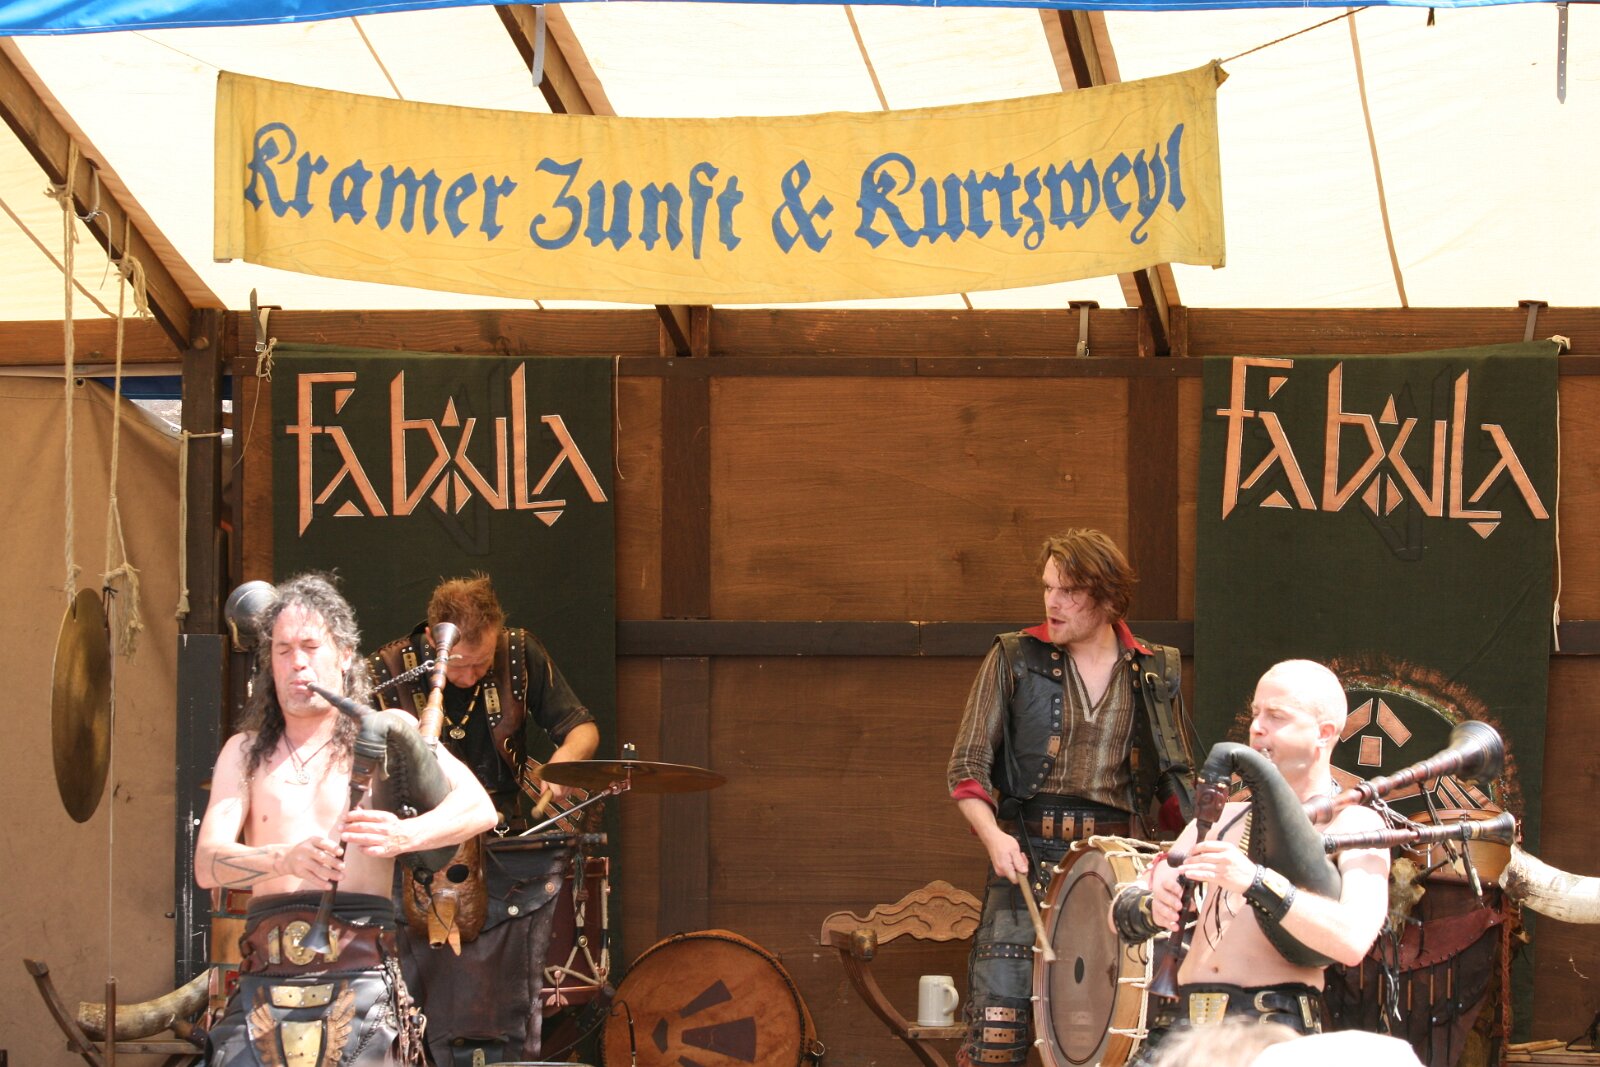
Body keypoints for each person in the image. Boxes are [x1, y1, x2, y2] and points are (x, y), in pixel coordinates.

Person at [195, 573, 498, 1067]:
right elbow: (208, 865)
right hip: (264, 979)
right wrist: (282, 858)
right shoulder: (244, 751)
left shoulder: (387, 732)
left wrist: (405, 834)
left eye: (311, 647)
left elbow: (479, 808)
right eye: (283, 650)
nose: (297, 662)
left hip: (362, 980)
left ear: (343, 654)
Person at [946, 529, 1198, 1067]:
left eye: (1069, 591)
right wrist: (993, 837)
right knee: (998, 1035)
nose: (1052, 602)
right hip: (1026, 860)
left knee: (1107, 1039)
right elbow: (967, 768)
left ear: (1107, 598)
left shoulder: (1153, 669)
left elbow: (1172, 783)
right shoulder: (1014, 656)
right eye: (1047, 588)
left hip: (1116, 872)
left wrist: (1202, 837)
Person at [367, 573, 601, 1066]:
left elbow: (581, 728)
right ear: (434, 640)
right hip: (420, 850)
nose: (473, 675)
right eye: (461, 664)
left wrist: (560, 767)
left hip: (505, 843)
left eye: (483, 663)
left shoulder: (518, 652)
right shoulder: (386, 670)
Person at [1129, 660, 1390, 1046]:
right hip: (1181, 1030)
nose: (1257, 727)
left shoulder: (1355, 824)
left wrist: (1255, 881)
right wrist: (1153, 903)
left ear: (1324, 733)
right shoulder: (1221, 817)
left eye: (1276, 716)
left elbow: (1352, 941)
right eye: (1256, 713)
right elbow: (1120, 911)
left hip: (1269, 1031)